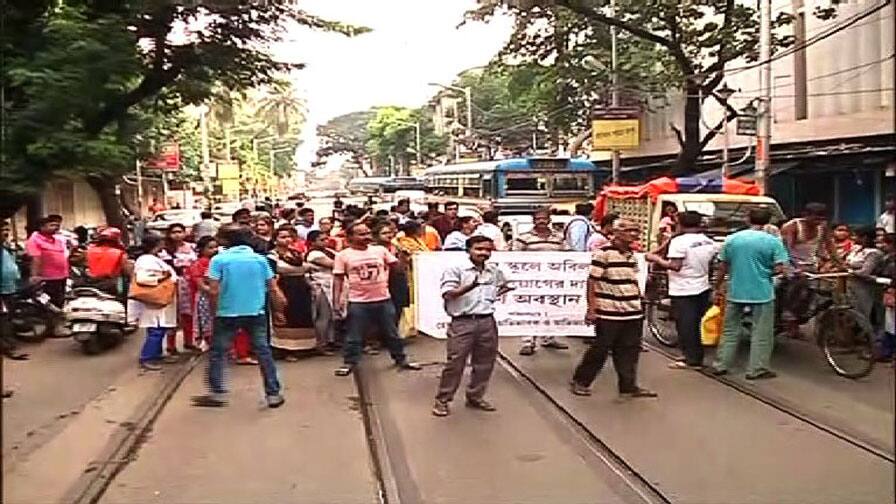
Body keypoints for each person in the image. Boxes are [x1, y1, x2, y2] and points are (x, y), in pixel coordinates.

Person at [192, 224, 284, 408]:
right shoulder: (260, 260)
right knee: (263, 352)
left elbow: (214, 290)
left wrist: (214, 311)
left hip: (227, 313)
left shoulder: (219, 261)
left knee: (218, 353)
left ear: (225, 241)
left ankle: (217, 392)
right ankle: (273, 393)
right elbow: (273, 288)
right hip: (256, 311)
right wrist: (279, 311)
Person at [570, 218, 657, 399]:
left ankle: (628, 386)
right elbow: (592, 281)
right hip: (608, 312)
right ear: (617, 233)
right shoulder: (603, 254)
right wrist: (591, 308)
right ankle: (581, 381)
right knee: (600, 349)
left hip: (632, 311)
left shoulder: (631, 255)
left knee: (629, 350)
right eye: (629, 231)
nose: (634, 234)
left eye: (636, 231)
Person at [432, 235, 513, 417]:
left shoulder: (493, 271)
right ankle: (443, 400)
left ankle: (475, 396)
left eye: (487, 250)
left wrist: (496, 294)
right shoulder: (456, 270)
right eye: (479, 249)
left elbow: (504, 285)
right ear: (468, 250)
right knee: (455, 363)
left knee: (485, 363)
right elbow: (448, 295)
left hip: (487, 321)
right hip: (462, 323)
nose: (483, 253)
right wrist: (471, 286)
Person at [332, 223, 422, 376]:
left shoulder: (380, 251)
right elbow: (338, 279)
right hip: (358, 301)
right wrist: (336, 300)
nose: (366, 236)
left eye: (367, 233)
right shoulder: (343, 255)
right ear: (350, 237)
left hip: (383, 299)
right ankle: (349, 362)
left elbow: (397, 269)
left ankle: (401, 359)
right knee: (354, 335)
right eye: (361, 234)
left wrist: (403, 259)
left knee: (392, 333)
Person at [711, 208, 790, 380]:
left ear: (747, 219)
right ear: (768, 222)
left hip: (735, 290)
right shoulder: (773, 241)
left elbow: (722, 266)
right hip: (762, 292)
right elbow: (780, 269)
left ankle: (721, 364)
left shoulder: (732, 239)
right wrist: (768, 272)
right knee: (761, 332)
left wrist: (717, 286)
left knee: (730, 329)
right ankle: (757, 368)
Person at [646, 211, 718, 369]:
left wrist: (656, 259)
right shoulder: (707, 241)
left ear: (680, 223)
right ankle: (694, 355)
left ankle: (691, 359)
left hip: (683, 289)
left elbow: (675, 266)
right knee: (695, 323)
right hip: (703, 287)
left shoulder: (679, 243)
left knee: (685, 325)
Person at [513, 208, 569, 355]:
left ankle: (549, 338)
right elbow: (513, 258)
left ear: (549, 220)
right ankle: (528, 342)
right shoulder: (523, 238)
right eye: (538, 219)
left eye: (544, 218)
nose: (541, 221)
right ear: (533, 221)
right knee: (530, 311)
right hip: (531, 283)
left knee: (551, 309)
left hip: (553, 282)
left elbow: (569, 256)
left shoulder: (559, 238)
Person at [268, 225, 317, 360]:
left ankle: (304, 347)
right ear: (275, 240)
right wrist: (277, 293)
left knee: (302, 317)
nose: (287, 240)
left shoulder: (296, 253)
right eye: (283, 237)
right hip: (284, 287)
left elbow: (306, 268)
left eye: (289, 237)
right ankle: (287, 350)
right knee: (286, 318)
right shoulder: (272, 256)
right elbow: (271, 277)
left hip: (301, 288)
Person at [133, 234, 178, 371]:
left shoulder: (153, 258)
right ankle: (147, 358)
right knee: (156, 330)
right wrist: (162, 278)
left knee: (159, 328)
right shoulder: (146, 260)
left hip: (161, 300)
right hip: (155, 299)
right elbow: (143, 278)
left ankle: (157, 354)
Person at [25, 217, 69, 336]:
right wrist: (34, 275)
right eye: (52, 225)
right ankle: (53, 329)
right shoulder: (35, 240)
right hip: (48, 277)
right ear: (42, 227)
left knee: (59, 302)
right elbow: (36, 258)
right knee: (50, 304)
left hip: (61, 276)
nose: (56, 227)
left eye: (57, 225)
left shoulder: (57, 239)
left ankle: (57, 326)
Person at [159, 223, 198, 354]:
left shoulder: (192, 247)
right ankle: (171, 345)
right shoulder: (165, 250)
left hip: (189, 285)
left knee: (189, 314)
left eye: (180, 231)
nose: (177, 234)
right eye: (174, 232)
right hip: (172, 284)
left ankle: (189, 341)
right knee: (173, 315)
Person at [844, 228, 886, 347]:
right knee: (853, 311)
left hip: (866, 287)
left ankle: (873, 342)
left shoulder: (874, 253)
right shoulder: (856, 249)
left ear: (865, 238)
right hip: (852, 285)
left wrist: (849, 271)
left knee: (864, 314)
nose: (854, 238)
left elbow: (865, 272)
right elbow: (846, 262)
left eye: (857, 236)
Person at [306, 230, 338, 352]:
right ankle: (321, 343)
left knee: (331, 316)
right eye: (322, 240)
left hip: (331, 284)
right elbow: (334, 264)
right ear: (313, 242)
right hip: (321, 286)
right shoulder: (314, 254)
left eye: (326, 239)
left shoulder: (328, 251)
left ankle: (330, 341)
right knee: (324, 315)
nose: (326, 242)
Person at [1, 221, 28, 360]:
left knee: (8, 318)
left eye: (6, 229)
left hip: (9, 288)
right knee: (4, 320)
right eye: (1, 230)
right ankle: (10, 348)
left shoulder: (5, 246)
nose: (5, 232)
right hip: (2, 292)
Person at [186, 236, 218, 351]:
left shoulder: (217, 262)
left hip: (217, 295)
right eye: (210, 248)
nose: (214, 250)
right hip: (205, 297)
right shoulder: (197, 264)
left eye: (215, 247)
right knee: (206, 321)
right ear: (201, 249)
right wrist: (213, 291)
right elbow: (200, 285)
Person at [781, 202, 830, 272]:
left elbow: (830, 247)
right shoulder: (793, 226)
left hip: (811, 265)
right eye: (816, 219)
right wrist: (791, 268)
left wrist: (840, 264)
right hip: (792, 267)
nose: (818, 222)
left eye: (821, 219)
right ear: (806, 215)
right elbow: (785, 250)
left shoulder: (822, 227)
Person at [85, 227, 130, 296]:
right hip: (112, 287)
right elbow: (127, 272)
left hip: (88, 285)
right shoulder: (120, 253)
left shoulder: (89, 251)